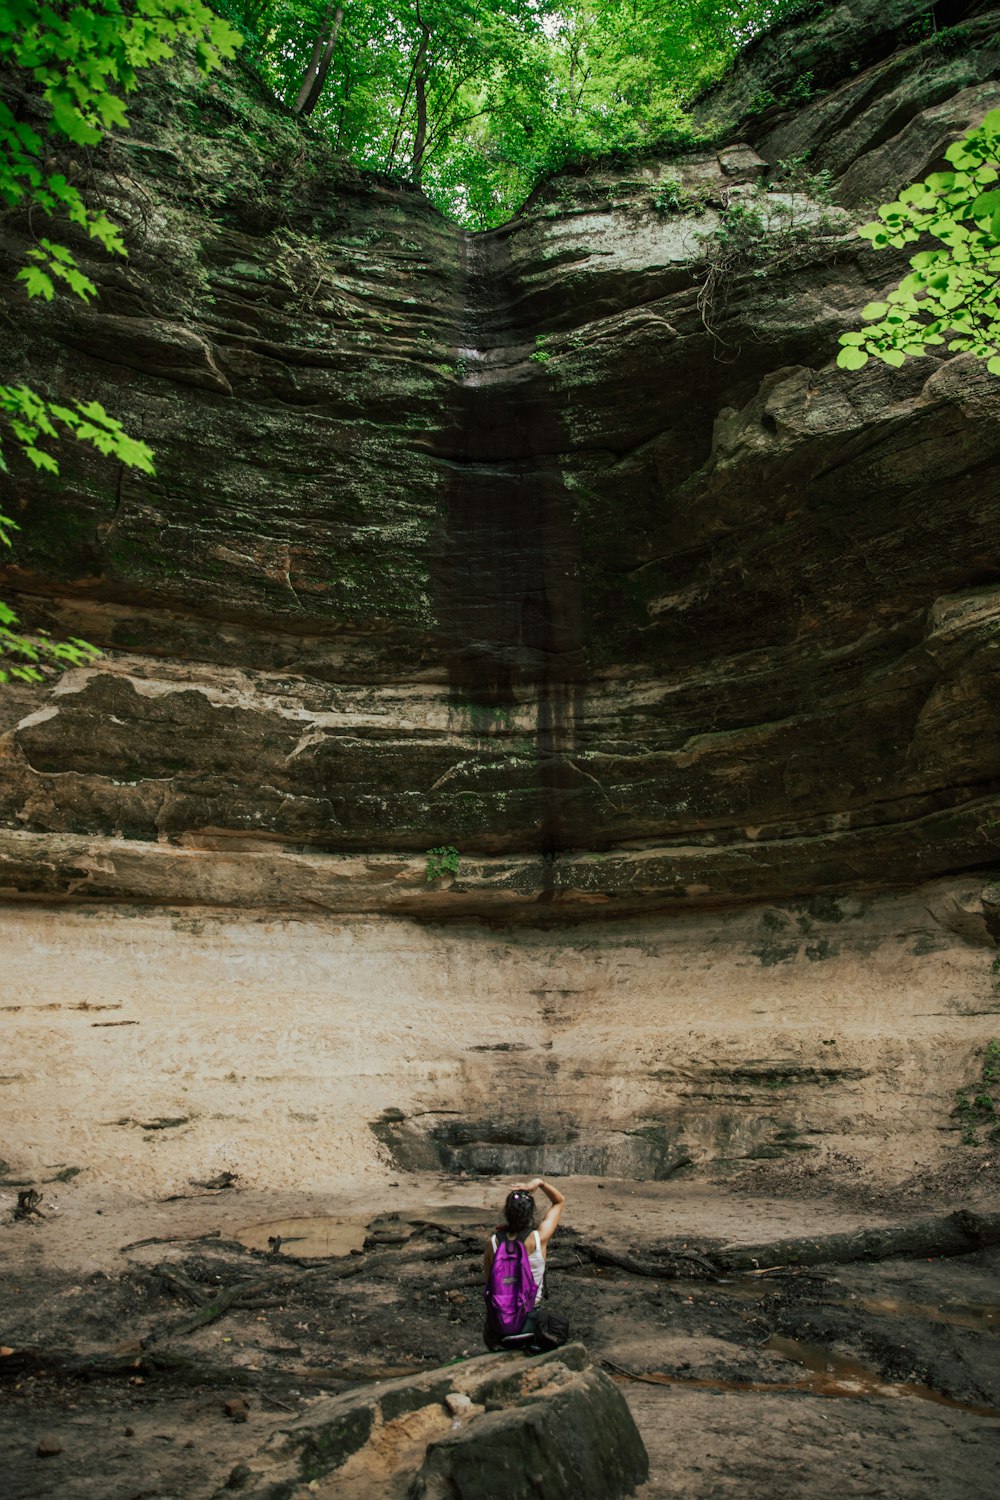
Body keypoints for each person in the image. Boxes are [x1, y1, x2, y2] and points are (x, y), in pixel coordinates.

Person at [483, 1176, 565, 1350]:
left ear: (506, 1213)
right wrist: (540, 1183)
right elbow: (559, 1201)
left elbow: (489, 1285)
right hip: (529, 1319)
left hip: (499, 1326)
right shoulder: (539, 1238)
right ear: (530, 1214)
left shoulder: (493, 1243)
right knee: (559, 1327)